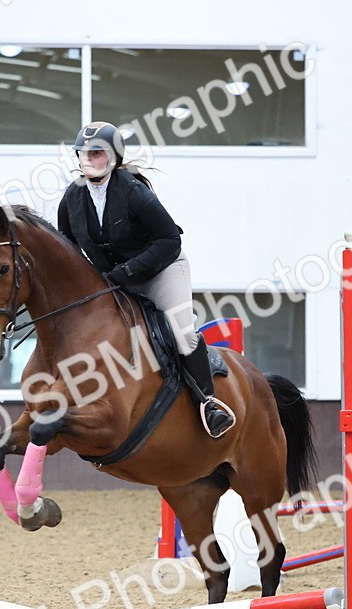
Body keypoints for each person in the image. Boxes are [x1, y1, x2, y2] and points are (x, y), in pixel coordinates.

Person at [56, 121, 235, 438]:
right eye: (82, 154)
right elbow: (68, 250)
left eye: (96, 153)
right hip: (114, 280)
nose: (87, 160)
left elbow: (170, 240)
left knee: (182, 333)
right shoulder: (72, 199)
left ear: (113, 158)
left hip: (161, 270)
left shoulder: (135, 193)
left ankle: (209, 402)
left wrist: (126, 271)